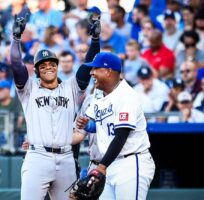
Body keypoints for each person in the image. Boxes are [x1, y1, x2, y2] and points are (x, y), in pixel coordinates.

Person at [10, 11, 100, 200]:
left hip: (66, 158)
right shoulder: (29, 89)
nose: (48, 67)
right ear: (36, 71)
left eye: (51, 64)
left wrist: (95, 40)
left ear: (57, 66)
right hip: (38, 157)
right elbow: (16, 64)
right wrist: (16, 39)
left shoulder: (70, 88)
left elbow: (88, 64)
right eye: (42, 66)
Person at [76, 52, 155, 200]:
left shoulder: (127, 96)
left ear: (108, 71)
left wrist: (101, 167)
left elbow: (121, 136)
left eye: (95, 69)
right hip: (110, 163)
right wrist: (88, 126)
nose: (91, 73)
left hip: (130, 162)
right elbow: (101, 126)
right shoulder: (101, 95)